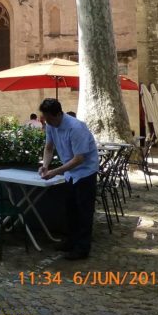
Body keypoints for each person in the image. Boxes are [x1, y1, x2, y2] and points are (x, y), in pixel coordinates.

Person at [38, 98, 99, 261]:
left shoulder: (76, 128)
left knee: (84, 212)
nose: (48, 123)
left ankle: (82, 248)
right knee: (70, 209)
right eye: (46, 119)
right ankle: (71, 241)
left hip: (85, 172)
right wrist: (45, 165)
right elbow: (49, 148)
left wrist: (55, 171)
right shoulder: (51, 125)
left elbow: (79, 158)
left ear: (58, 114)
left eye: (50, 119)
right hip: (70, 173)